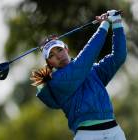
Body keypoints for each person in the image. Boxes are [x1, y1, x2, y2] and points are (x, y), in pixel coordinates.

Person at [30, 9, 127, 140]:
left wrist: (116, 23)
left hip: (114, 130)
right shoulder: (56, 81)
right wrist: (104, 26)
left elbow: (118, 57)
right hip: (87, 135)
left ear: (66, 49)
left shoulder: (92, 70)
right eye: (52, 55)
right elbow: (84, 60)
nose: (58, 56)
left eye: (59, 49)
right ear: (49, 63)